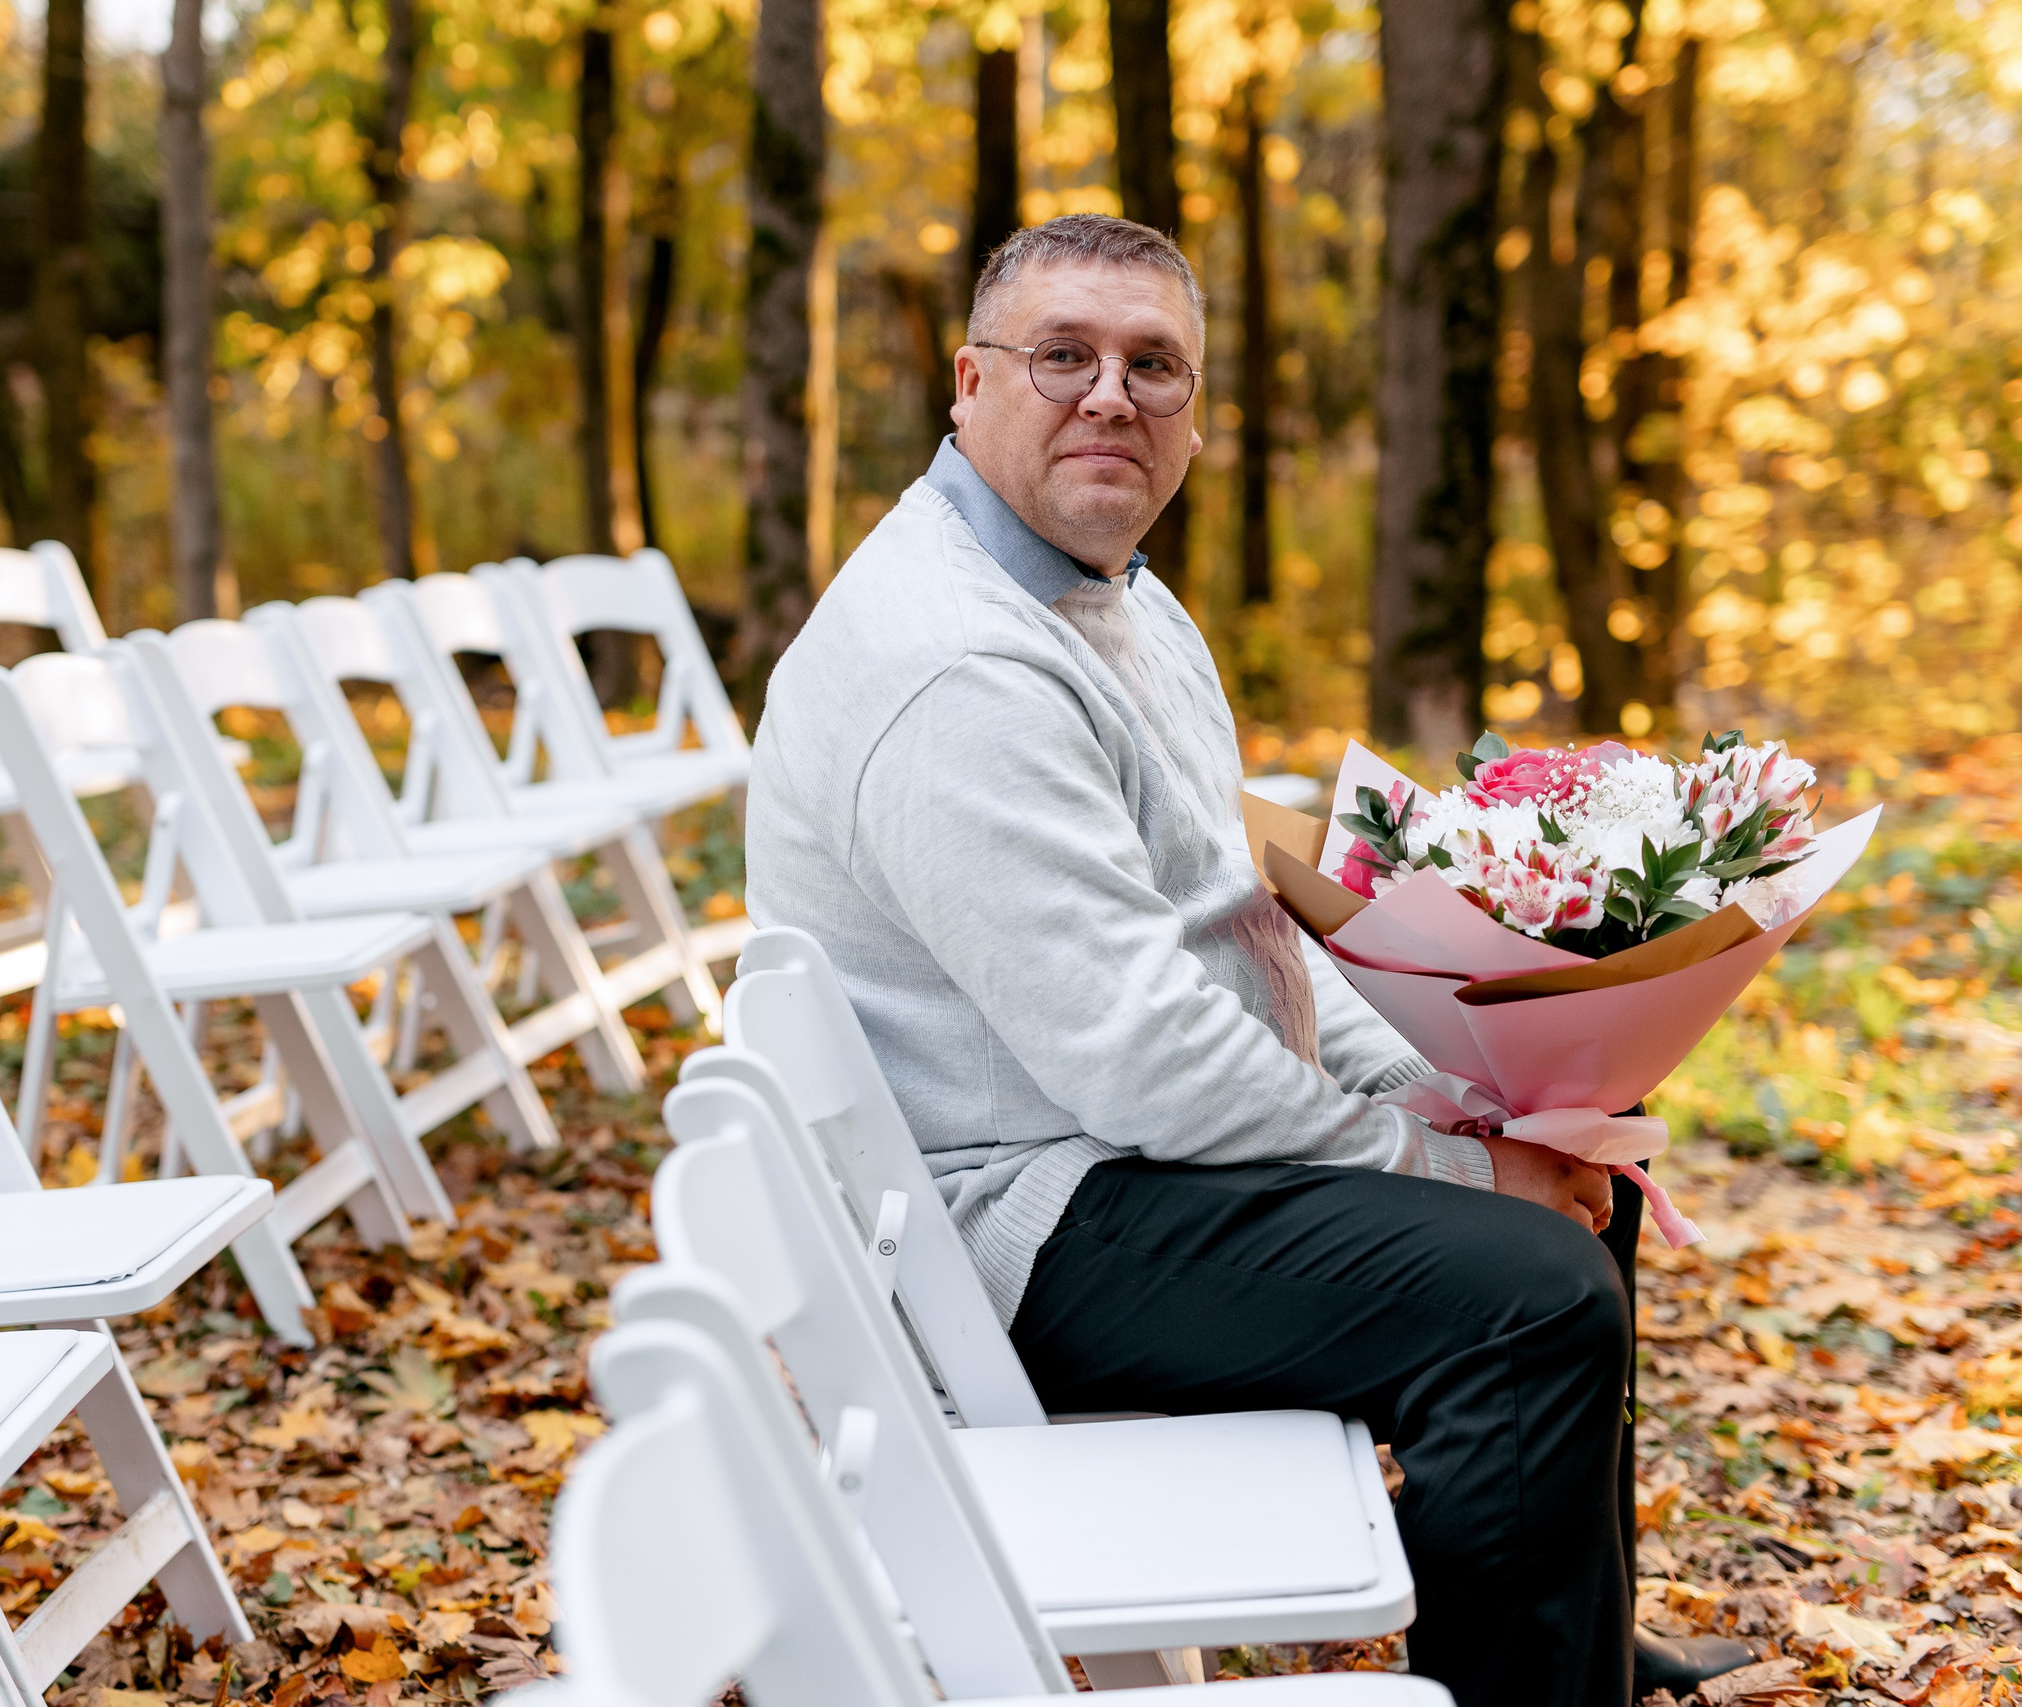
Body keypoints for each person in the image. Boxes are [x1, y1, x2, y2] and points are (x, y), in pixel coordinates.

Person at [743, 213, 1747, 1705]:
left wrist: (1471, 1094)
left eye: (1156, 367)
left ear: (1196, 417)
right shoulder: (957, 663)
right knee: (1530, 1289)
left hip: (1109, 1155)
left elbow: (1245, 937)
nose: (1111, 396)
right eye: (1063, 355)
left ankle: (1569, 1632)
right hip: (1009, 1224)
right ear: (968, 383)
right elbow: (1143, 1055)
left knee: (1567, 1177)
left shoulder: (1117, 601)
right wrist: (1459, 1173)